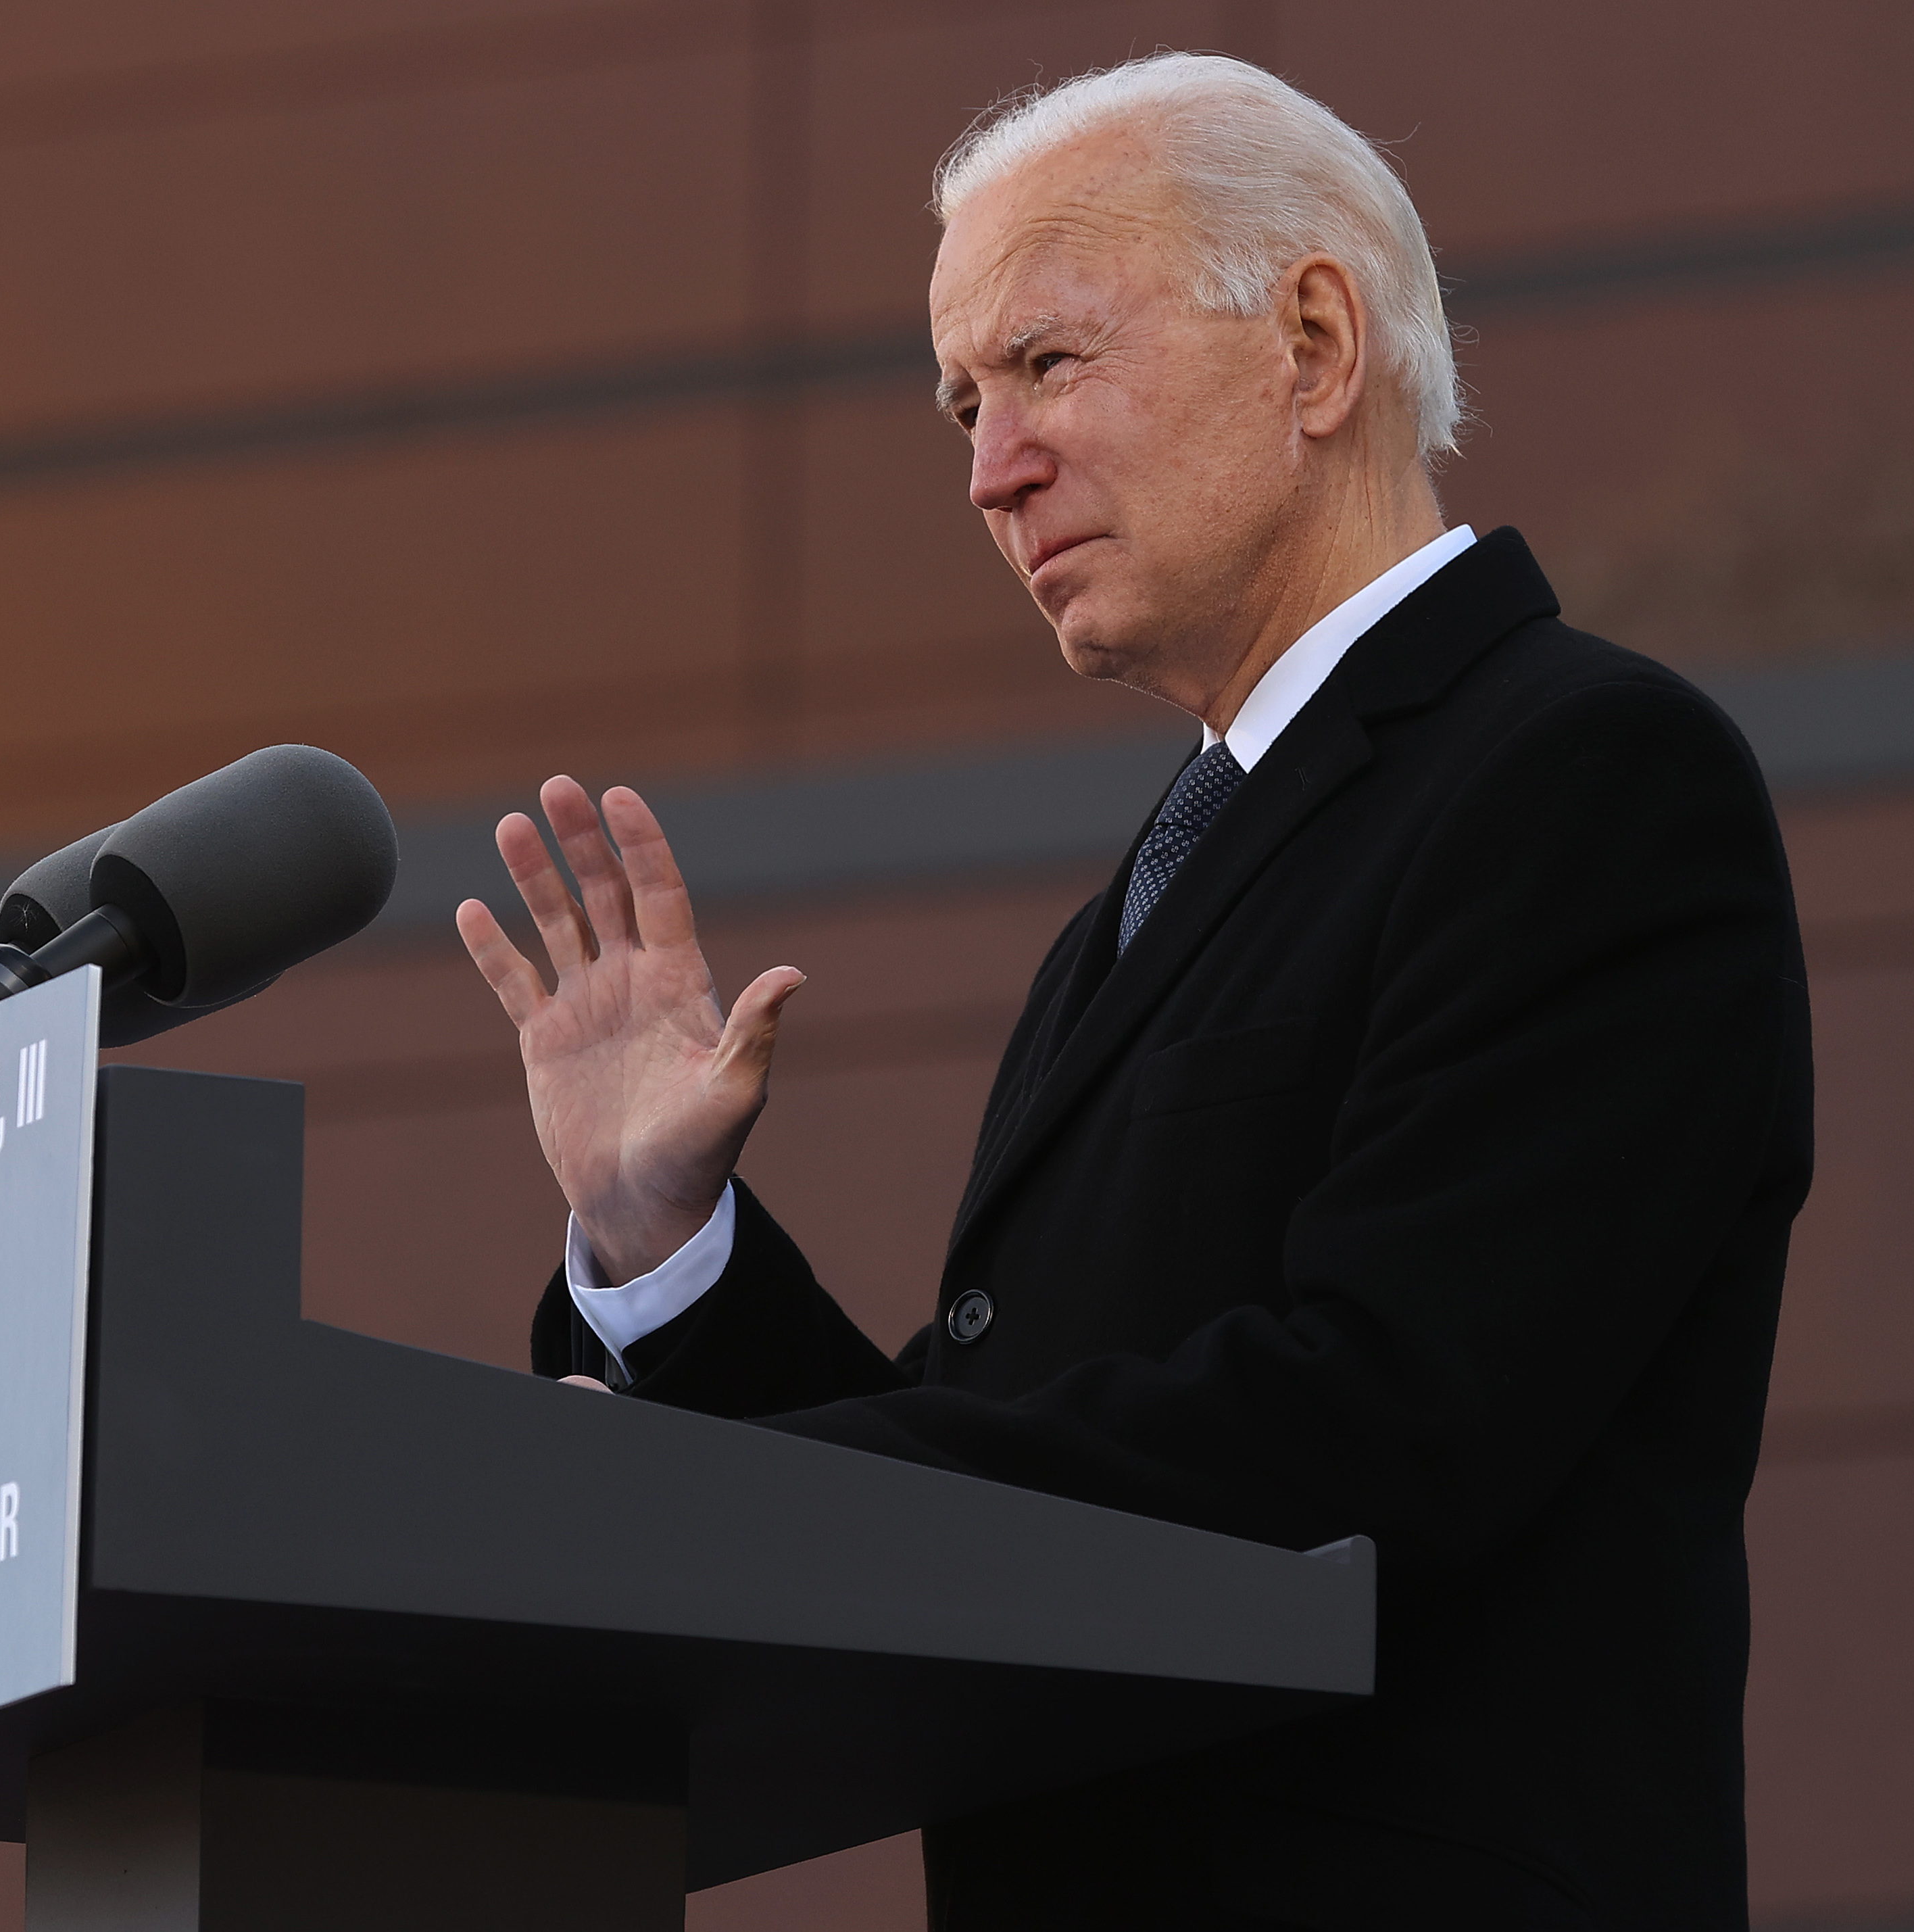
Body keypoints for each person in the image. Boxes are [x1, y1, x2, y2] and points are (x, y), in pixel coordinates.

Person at [456, 51, 1812, 1932]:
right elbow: (1026, 1469)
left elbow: (1377, 1422)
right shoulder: (1139, 912)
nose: (987, 468)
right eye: (958, 402)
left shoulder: (1582, 776)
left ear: (1315, 344)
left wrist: (679, 1505)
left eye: (1043, 365)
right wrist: (658, 1237)